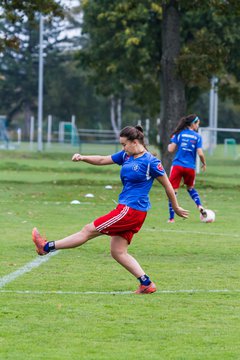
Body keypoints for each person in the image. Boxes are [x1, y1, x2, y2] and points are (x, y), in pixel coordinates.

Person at [32, 125, 188, 294]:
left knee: (88, 230)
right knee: (118, 251)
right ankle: (146, 284)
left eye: (124, 144)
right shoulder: (126, 156)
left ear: (135, 142)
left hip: (131, 211)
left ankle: (46, 247)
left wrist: (176, 206)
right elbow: (101, 160)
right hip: (131, 211)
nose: (123, 148)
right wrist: (83, 157)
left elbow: (168, 186)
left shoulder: (151, 162)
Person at [167, 114, 207, 223]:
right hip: (190, 167)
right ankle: (199, 206)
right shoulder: (197, 136)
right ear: (193, 124)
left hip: (177, 166)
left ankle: (171, 219)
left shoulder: (179, 134)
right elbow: (200, 153)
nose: (198, 126)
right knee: (190, 188)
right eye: (198, 123)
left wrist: (170, 142)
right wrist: (204, 163)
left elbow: (171, 149)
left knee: (172, 191)